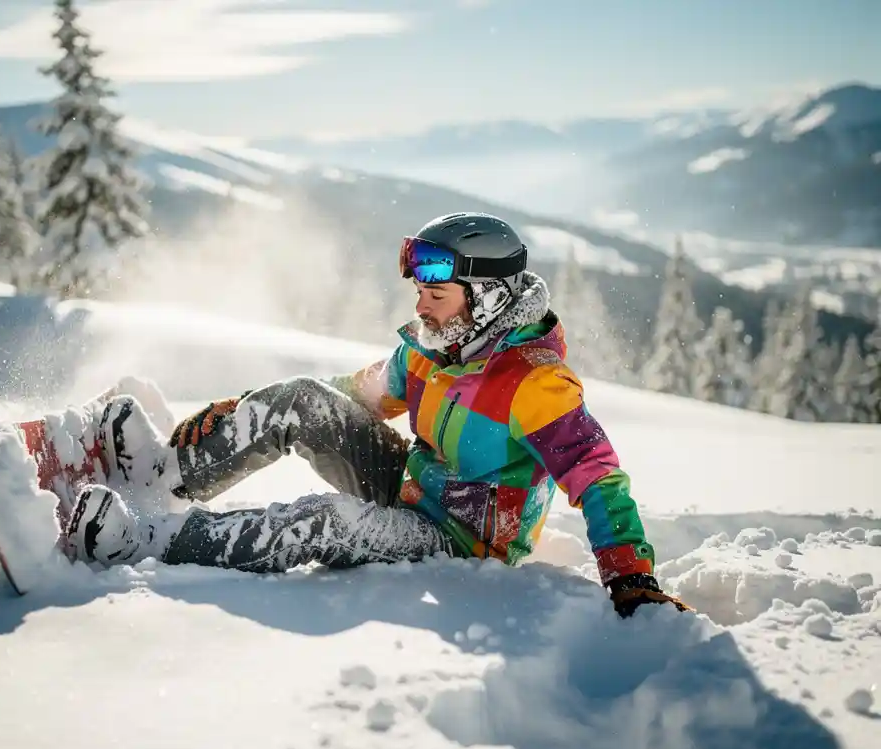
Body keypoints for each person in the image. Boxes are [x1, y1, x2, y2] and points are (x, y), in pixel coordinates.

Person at [67, 212, 692, 620]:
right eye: (419, 291)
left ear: (489, 298)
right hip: (410, 484)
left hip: (461, 538)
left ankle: (145, 542)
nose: (420, 305)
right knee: (301, 397)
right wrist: (245, 410)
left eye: (436, 294)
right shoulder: (430, 349)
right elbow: (349, 396)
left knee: (325, 523)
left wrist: (629, 572)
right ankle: (164, 471)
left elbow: (595, 472)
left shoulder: (535, 382)